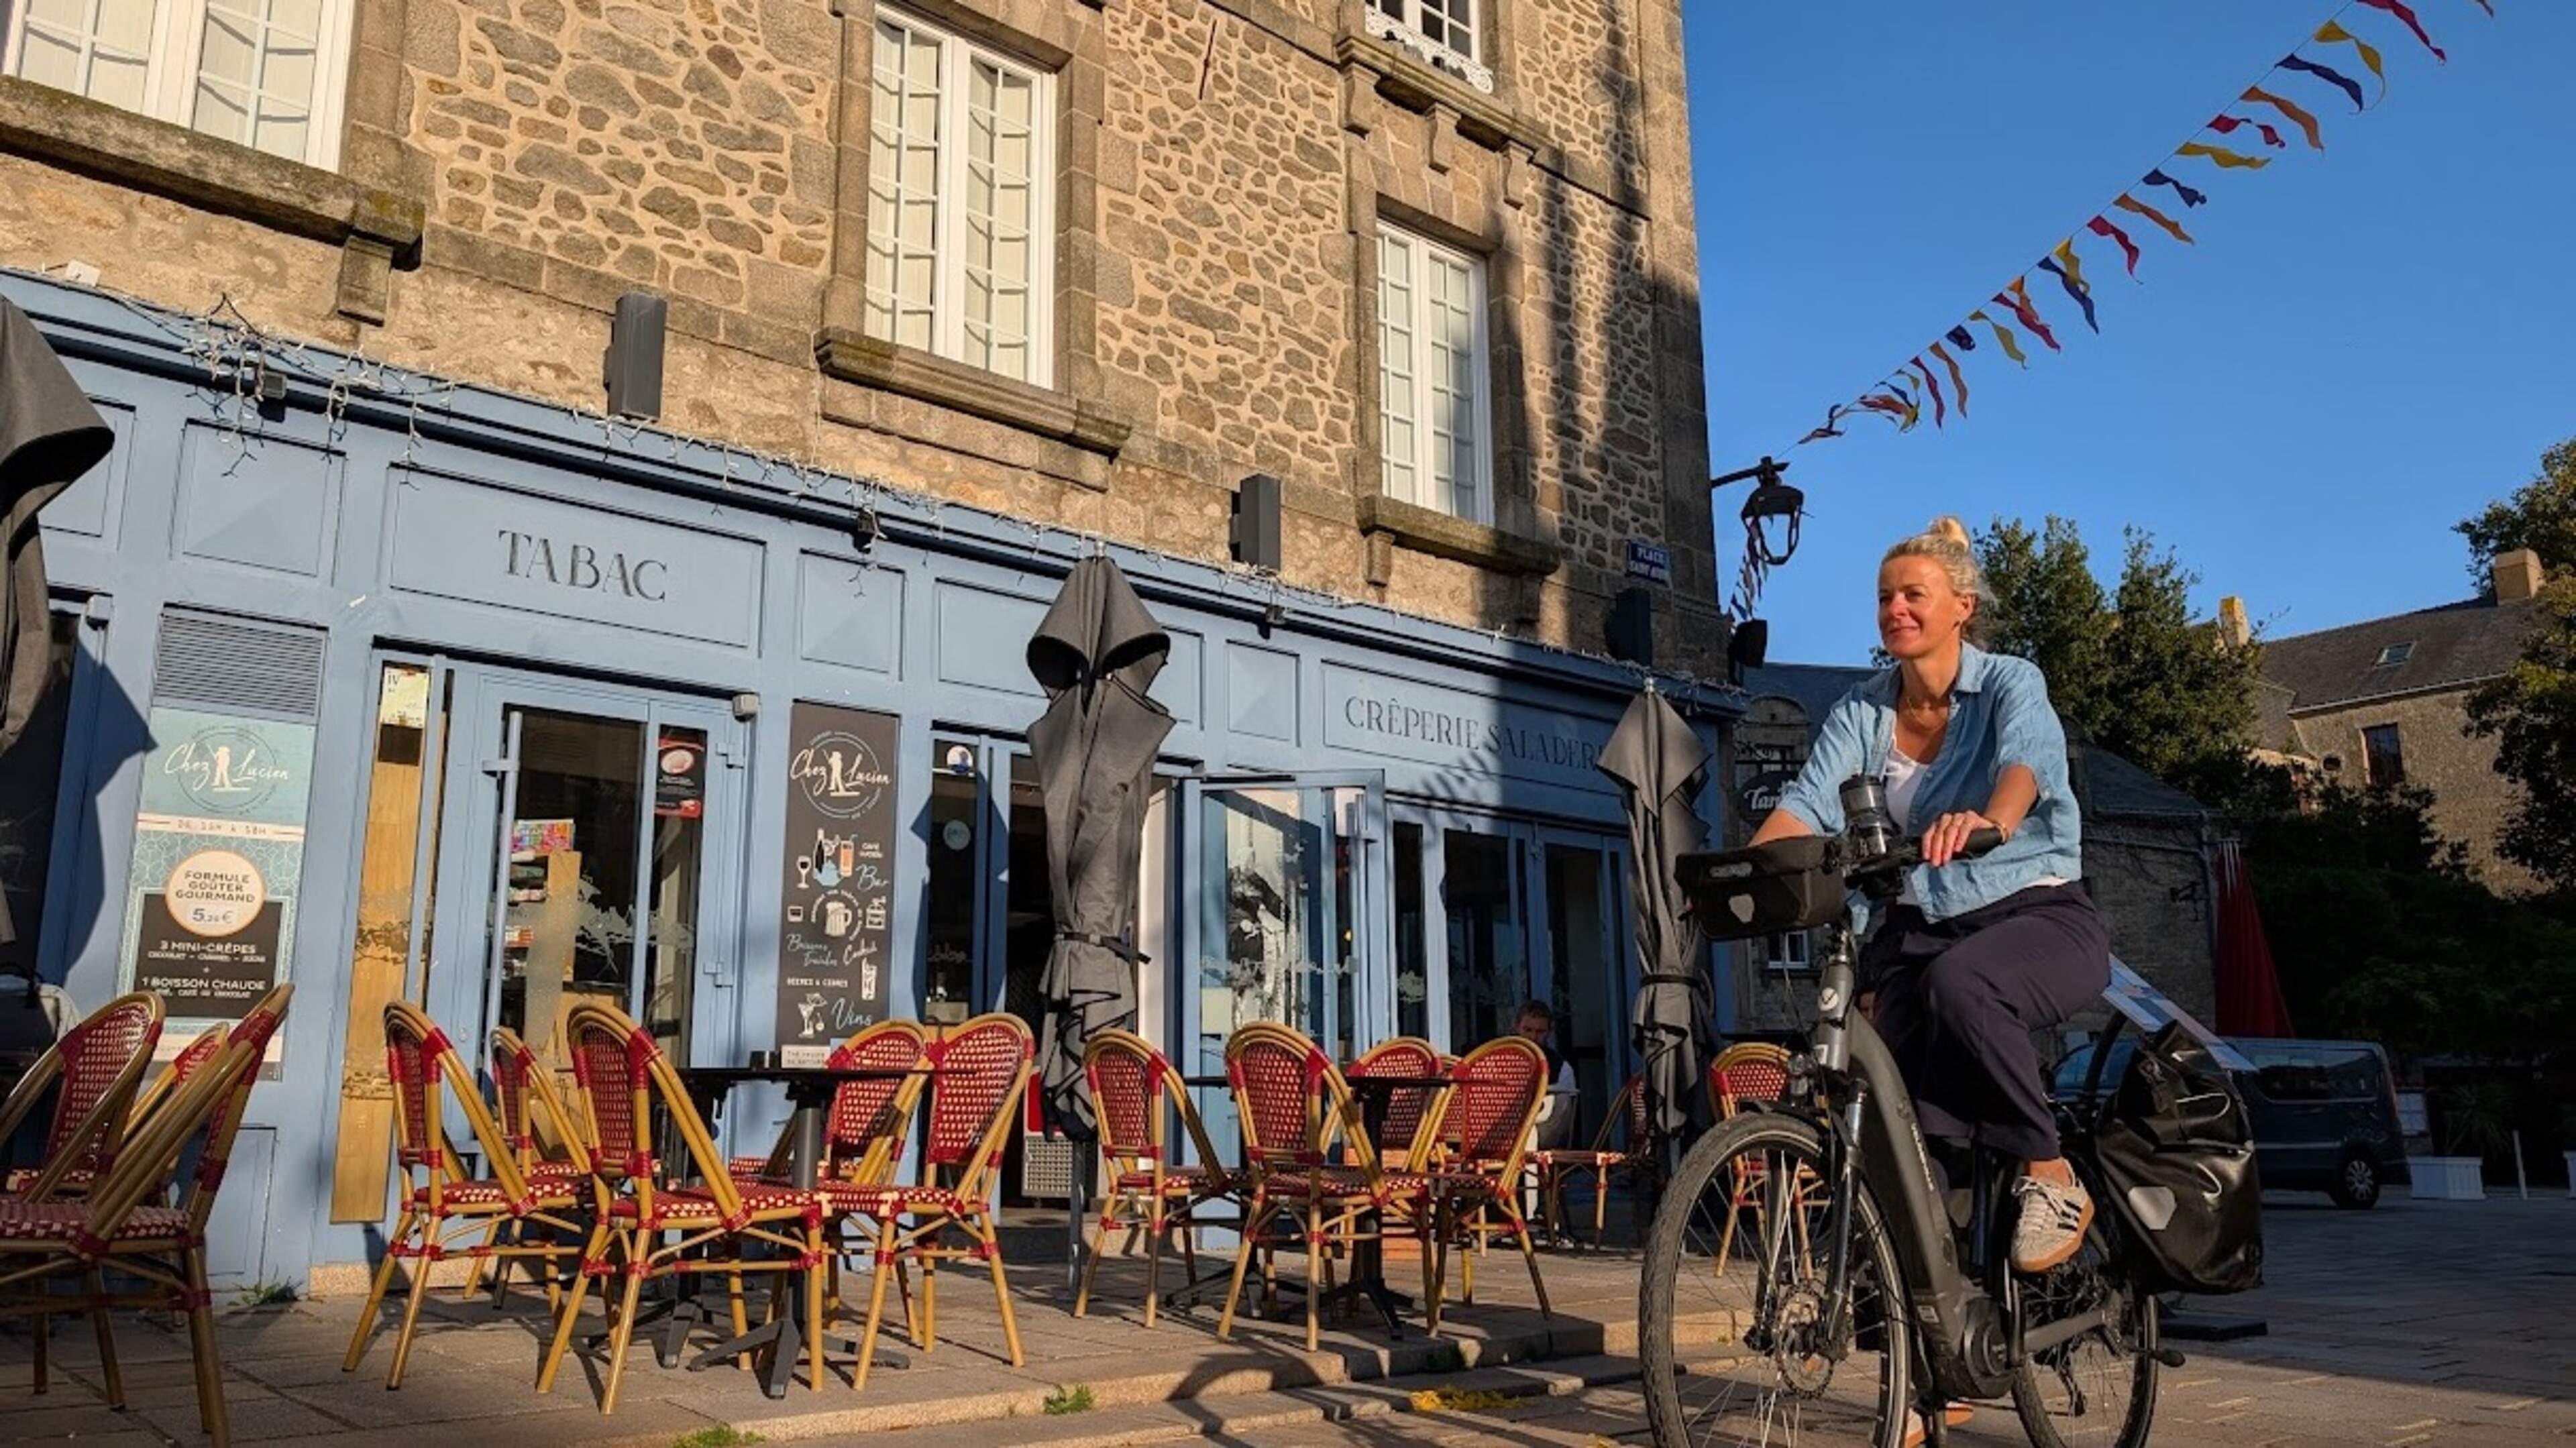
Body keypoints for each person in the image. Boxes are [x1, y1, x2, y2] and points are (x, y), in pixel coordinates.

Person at [1746, 516, 2110, 1445]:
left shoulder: (2010, 682)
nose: (1896, 607)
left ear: (1961, 607)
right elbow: (1803, 801)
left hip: (2032, 909)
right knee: (1884, 1131)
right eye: (1885, 595)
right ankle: (1923, 1363)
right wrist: (1749, 865)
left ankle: (2049, 1167)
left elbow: (2026, 767)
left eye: (1914, 593)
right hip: (1912, 930)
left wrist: (1984, 816)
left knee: (1960, 987)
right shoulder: (1863, 710)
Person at [1513, 1000, 1580, 1150]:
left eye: (1540, 1032)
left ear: (1549, 1032)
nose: (1533, 1037)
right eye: (1528, 1030)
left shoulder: (1561, 1067)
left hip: (1544, 1137)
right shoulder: (1500, 1060)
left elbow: (1559, 1118)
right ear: (1517, 1028)